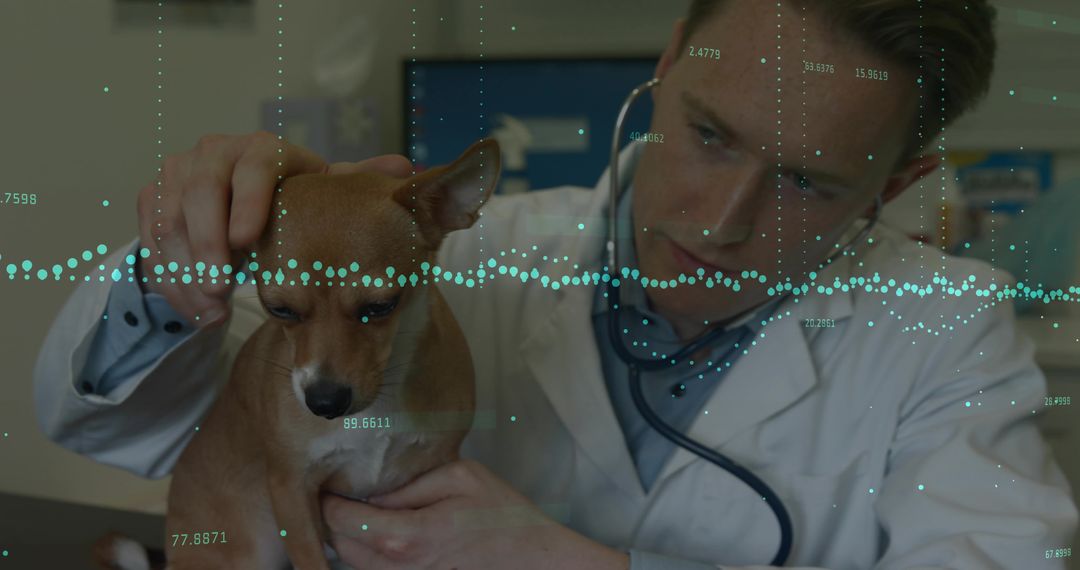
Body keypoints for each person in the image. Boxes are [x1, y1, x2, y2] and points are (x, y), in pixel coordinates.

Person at [33, 0, 1078, 568]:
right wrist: (178, 270)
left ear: (893, 186)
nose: (719, 222)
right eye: (709, 134)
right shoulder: (456, 256)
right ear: (666, 64)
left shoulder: (948, 335)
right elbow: (129, 434)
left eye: (806, 181)